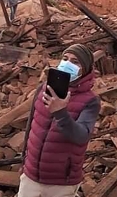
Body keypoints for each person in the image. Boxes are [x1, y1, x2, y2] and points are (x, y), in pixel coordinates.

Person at [18, 44, 101, 197]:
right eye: (65, 59)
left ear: (86, 68)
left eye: (75, 62)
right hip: (31, 176)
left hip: (61, 181)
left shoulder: (90, 101)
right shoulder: (44, 88)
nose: (68, 64)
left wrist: (60, 113)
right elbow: (31, 126)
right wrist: (25, 160)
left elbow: (81, 136)